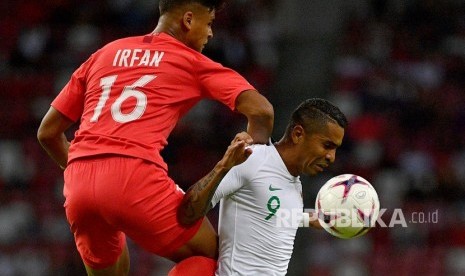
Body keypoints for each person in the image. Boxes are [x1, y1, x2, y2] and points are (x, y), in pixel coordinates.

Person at [36, 0, 274, 275]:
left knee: (112, 267)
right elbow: (262, 111)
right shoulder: (191, 61)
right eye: (208, 23)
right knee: (221, 261)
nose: (210, 34)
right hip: (134, 177)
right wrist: (255, 166)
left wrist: (91, 175)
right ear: (188, 20)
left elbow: (48, 133)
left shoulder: (105, 52)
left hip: (78, 183)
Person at [178, 98, 348, 275]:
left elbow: (266, 214)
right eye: (327, 145)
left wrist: (308, 218)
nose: (332, 157)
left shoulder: (294, 183)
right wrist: (223, 167)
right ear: (298, 134)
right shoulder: (253, 159)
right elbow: (187, 212)